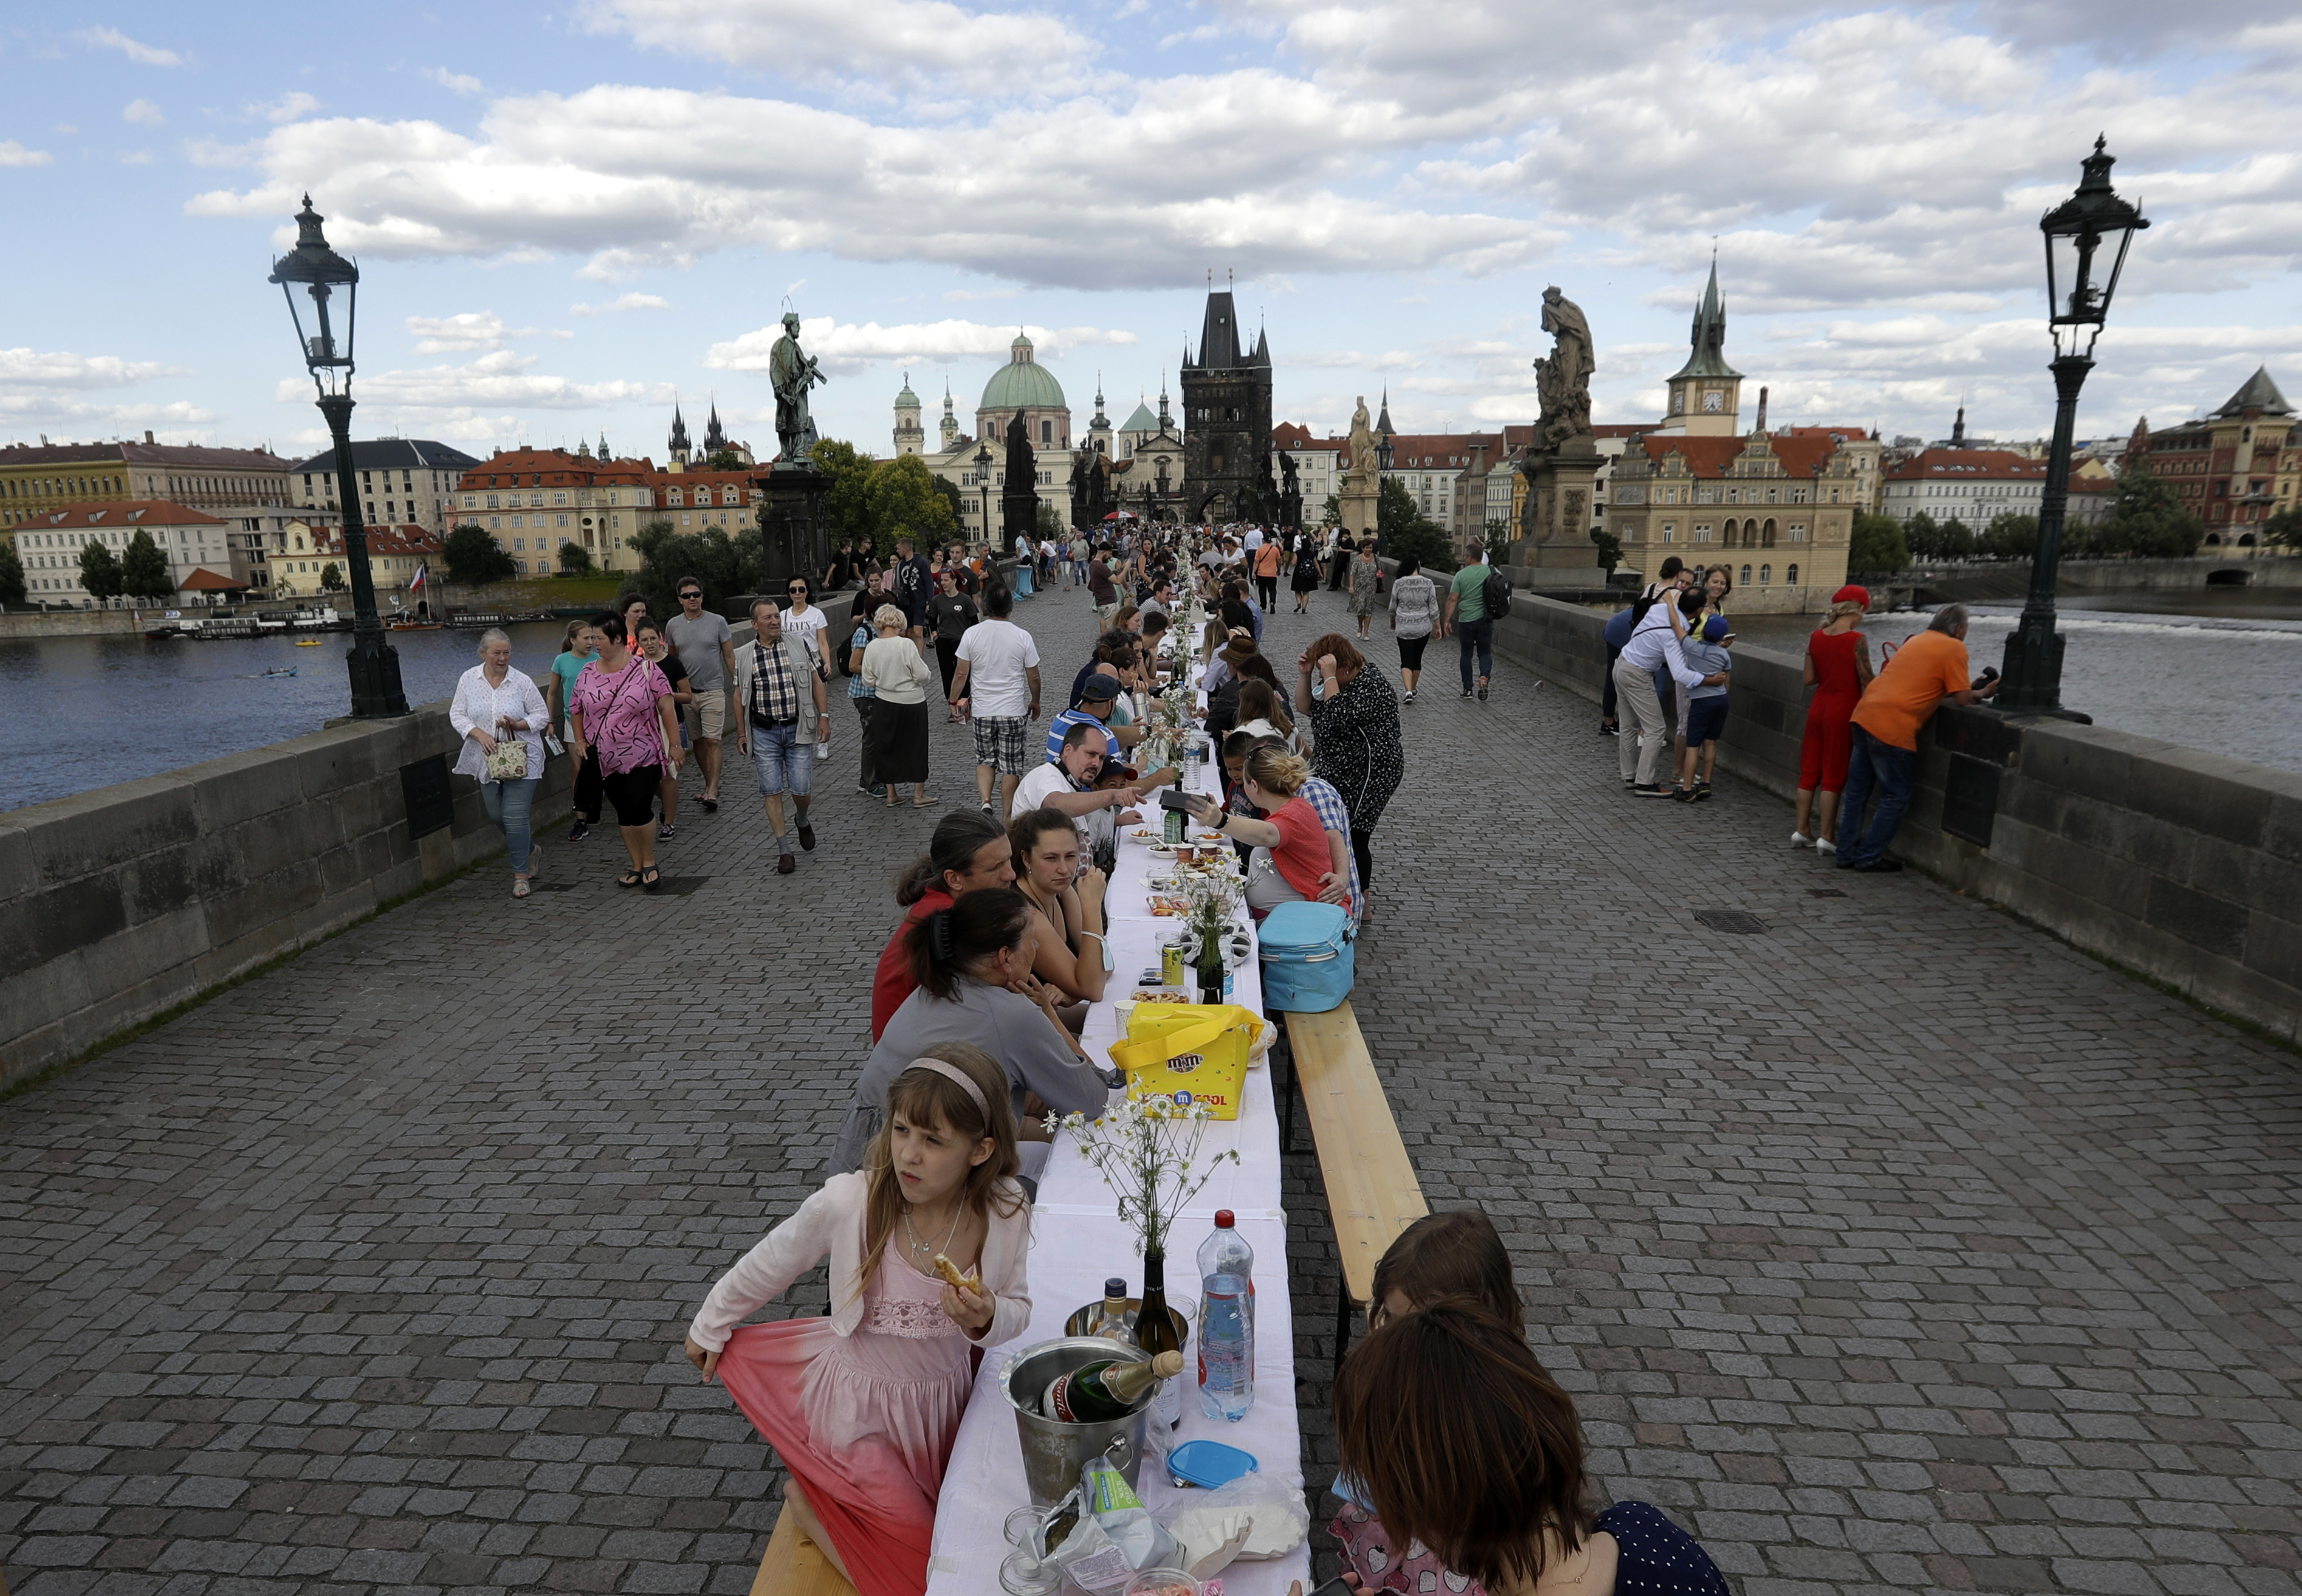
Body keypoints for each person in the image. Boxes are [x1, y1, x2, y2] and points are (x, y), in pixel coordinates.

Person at [684, 1045, 1032, 1596]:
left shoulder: (1004, 1210)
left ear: (980, 1150)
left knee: (960, 1543)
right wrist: (710, 1323)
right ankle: (810, 1510)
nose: (909, 1155)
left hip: (938, 1411)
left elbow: (1018, 1310)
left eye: (933, 1140)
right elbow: (774, 1259)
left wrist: (989, 1315)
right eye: (901, 1131)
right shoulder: (854, 1201)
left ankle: (825, 1500)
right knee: (925, 1569)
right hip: (855, 1416)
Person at [836, 889, 1113, 1173]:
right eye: (1033, 941)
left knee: (1041, 1153)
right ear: (1006, 957)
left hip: (863, 1156)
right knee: (1078, 1166)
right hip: (905, 1173)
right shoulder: (1008, 1013)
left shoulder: (934, 987)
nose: (1037, 950)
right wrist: (1048, 1014)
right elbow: (1090, 1101)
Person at [1328, 1209, 1521, 1596]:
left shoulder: (1498, 1409)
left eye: (1417, 1326)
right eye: (1393, 1321)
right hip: (1392, 1539)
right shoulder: (1399, 1373)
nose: (1401, 1340)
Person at [1840, 604, 2001, 872]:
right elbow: (1963, 700)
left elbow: (1927, 685)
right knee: (1897, 795)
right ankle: (1868, 857)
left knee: (1857, 792)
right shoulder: (1955, 648)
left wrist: (1969, 687)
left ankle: (1846, 853)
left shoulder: (1917, 641)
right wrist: (1985, 693)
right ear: (1960, 629)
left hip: (1866, 714)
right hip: (1894, 726)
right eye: (1967, 629)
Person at [872, 811, 1015, 1040]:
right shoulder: (951, 921)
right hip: (918, 1062)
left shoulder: (944, 903)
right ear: (954, 879)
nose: (1011, 874)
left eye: (1009, 859)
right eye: (995, 867)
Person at [568, 611, 679, 892]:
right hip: (605, 759)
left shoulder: (646, 670)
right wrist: (580, 740)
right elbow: (576, 708)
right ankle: (636, 865)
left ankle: (650, 860)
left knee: (639, 806)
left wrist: (676, 746)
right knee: (623, 812)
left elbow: (667, 707)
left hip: (645, 754)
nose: (594, 643)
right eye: (591, 637)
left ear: (618, 639)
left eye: (599, 638)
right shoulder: (588, 673)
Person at [1184, 746, 1350, 918]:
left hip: (1302, 924)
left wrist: (1221, 821)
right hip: (1288, 919)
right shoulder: (1291, 808)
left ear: (1254, 786)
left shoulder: (1293, 814)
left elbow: (1267, 835)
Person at [1299, 633, 1402, 901]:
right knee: (1333, 829)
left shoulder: (1371, 685)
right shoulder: (1337, 682)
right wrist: (1306, 675)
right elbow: (1305, 706)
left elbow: (1336, 717)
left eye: (1327, 672)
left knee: (1355, 833)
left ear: (1344, 667)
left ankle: (1360, 900)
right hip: (1338, 768)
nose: (1324, 679)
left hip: (1371, 772)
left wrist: (1331, 676)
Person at [734, 599, 831, 875]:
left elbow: (815, 682)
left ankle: (801, 818)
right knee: (771, 790)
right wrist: (741, 732)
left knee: (801, 788)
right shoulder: (744, 654)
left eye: (777, 616)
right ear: (755, 624)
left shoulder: (798, 644)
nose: (775, 621)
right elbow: (739, 695)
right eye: (768, 618)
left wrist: (824, 717)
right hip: (764, 732)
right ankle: (784, 849)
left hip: (798, 728)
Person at [450, 627, 551, 899]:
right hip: (486, 760)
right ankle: (531, 850)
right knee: (497, 815)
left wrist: (518, 724)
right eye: (497, 653)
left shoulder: (522, 682)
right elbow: (457, 714)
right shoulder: (468, 679)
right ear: (483, 653)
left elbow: (542, 716)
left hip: (523, 758)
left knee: (515, 819)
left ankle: (521, 875)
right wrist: (479, 733)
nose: (503, 658)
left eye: (507, 653)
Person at [1615, 588, 1722, 797]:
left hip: (1622, 663)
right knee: (1656, 730)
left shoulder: (1659, 610)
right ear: (1699, 610)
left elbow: (1669, 609)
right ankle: (1644, 784)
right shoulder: (1673, 636)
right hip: (1637, 674)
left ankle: (1630, 776)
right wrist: (1709, 680)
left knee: (1628, 726)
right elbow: (1680, 673)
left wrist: (1672, 605)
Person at [949, 583, 1042, 819]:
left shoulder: (972, 634)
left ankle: (986, 801)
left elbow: (961, 674)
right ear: (1011, 608)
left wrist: (953, 700)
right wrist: (1035, 701)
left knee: (985, 759)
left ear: (985, 606)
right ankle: (1007, 814)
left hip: (983, 711)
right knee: (1011, 766)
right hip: (1012, 711)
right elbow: (1033, 675)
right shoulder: (1022, 636)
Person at [1793, 586, 1875, 854]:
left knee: (1809, 773)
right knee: (1833, 775)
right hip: (1843, 709)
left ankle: (1802, 830)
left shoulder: (1816, 636)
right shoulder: (1857, 639)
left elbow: (1809, 680)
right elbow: (1867, 682)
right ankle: (1827, 836)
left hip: (1819, 707)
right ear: (1858, 609)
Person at [1008, 807, 1113, 1005]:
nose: (1064, 869)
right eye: (1051, 858)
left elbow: (1106, 967)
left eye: (1071, 856)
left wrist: (1070, 994)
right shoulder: (1025, 913)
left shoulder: (1062, 892)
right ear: (1026, 858)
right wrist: (1092, 907)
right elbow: (1093, 988)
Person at [1017, 723, 1146, 855]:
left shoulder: (1071, 783)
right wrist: (1113, 796)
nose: (1096, 764)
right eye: (1090, 754)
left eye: (1101, 758)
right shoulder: (1046, 775)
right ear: (1068, 750)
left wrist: (1117, 820)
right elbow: (1055, 805)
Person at [664, 577, 735, 813]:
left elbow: (729, 655)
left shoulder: (718, 622)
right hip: (686, 695)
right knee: (699, 743)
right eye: (687, 596)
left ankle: (713, 791)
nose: (692, 599)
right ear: (680, 600)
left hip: (713, 690)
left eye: (696, 594)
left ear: (702, 597)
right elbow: (671, 661)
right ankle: (708, 785)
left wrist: (739, 681)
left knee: (714, 740)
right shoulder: (673, 626)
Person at [861, 603, 938, 808]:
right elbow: (922, 674)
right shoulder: (906, 645)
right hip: (911, 701)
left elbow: (868, 679)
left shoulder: (872, 646)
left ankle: (891, 793)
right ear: (899, 623)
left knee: (887, 746)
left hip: (884, 702)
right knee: (916, 746)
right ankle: (919, 794)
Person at [634, 620, 692, 841]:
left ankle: (669, 822)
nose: (650, 644)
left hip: (672, 724)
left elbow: (687, 695)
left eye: (653, 639)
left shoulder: (673, 664)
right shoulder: (636, 666)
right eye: (644, 640)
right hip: (646, 727)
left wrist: (663, 694)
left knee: (669, 774)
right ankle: (668, 803)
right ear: (638, 642)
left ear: (660, 639)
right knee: (650, 775)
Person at [549, 620, 603, 842]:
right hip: (573, 723)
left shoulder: (598, 660)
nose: (591, 642)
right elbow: (552, 692)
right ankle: (581, 819)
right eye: (586, 638)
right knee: (578, 769)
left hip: (599, 724)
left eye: (593, 638)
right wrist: (550, 720)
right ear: (573, 640)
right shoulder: (561, 661)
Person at [1672, 614, 1733, 802]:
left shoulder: (1693, 647)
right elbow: (1727, 682)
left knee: (1693, 746)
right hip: (1721, 700)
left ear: (1704, 631)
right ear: (1723, 638)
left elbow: (1677, 627)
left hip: (1701, 702)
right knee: (1710, 742)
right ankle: (1705, 783)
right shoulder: (1724, 654)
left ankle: (1687, 789)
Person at [1443, 537, 1494, 701]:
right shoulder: (1492, 571)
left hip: (1466, 620)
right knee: (1485, 652)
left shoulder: (1461, 575)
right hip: (1486, 618)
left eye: (1465, 556)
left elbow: (1452, 599)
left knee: (1466, 654)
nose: (1464, 559)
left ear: (1470, 557)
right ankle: (1484, 677)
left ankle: (1468, 689)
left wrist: (1447, 620)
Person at [1386, 552, 1440, 704]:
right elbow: (1434, 608)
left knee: (1406, 660)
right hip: (1423, 627)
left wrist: (1393, 621)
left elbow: (1392, 608)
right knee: (1417, 660)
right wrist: (1438, 626)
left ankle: (1408, 690)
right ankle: (1413, 688)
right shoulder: (1428, 583)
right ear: (1418, 567)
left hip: (1404, 627)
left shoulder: (1399, 584)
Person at [929, 570, 978, 715]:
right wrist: (935, 635)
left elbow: (974, 622)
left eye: (945, 580)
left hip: (961, 642)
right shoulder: (937, 600)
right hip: (943, 641)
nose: (943, 584)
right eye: (941, 581)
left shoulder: (965, 600)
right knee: (947, 674)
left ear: (954, 581)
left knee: (962, 673)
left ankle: (965, 702)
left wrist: (970, 639)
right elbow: (932, 620)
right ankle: (952, 703)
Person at [782, 576, 831, 675]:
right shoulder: (782, 616)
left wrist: (827, 663)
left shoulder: (817, 614)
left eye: (801, 589)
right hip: (791, 660)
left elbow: (822, 642)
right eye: (793, 590)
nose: (797, 593)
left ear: (807, 591)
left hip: (813, 658)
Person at [893, 536, 933, 653]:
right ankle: (910, 655)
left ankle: (920, 658)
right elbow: (899, 583)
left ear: (905, 549)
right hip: (906, 602)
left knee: (917, 632)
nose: (897, 551)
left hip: (919, 601)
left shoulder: (921, 563)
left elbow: (928, 582)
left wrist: (929, 601)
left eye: (899, 549)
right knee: (906, 632)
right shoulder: (901, 565)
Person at [1347, 537, 1381, 640]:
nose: (1369, 550)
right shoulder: (1358, 559)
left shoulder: (1375, 558)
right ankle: (1360, 626)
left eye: (1370, 548)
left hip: (1372, 587)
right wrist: (1351, 586)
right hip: (1360, 587)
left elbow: (1379, 569)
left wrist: (1379, 575)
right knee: (1361, 608)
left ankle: (1366, 632)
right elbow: (1352, 573)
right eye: (1367, 548)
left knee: (1369, 609)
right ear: (1363, 548)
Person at [1087, 545, 1119, 625]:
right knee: (1112, 629)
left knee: (1104, 623)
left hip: (1101, 602)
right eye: (1110, 554)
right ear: (1104, 552)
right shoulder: (1101, 566)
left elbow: (1106, 576)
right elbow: (1117, 581)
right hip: (1109, 602)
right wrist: (1126, 569)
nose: (1111, 557)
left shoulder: (1093, 564)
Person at [1290, 532, 1322, 613]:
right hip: (1309, 574)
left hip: (1299, 573)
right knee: (1306, 592)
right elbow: (1316, 565)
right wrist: (1320, 574)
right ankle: (1304, 608)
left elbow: (1293, 563)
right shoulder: (1312, 553)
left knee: (1297, 590)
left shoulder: (1299, 553)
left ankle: (1299, 603)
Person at [1252, 533, 1283, 612]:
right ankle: (1272, 602)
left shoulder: (1259, 550)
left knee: (1262, 590)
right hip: (1272, 573)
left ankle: (1263, 606)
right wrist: (1279, 570)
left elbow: (1256, 562)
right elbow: (1279, 561)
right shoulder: (1275, 549)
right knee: (1272, 590)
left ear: (1263, 540)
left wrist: (1253, 572)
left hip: (1261, 573)